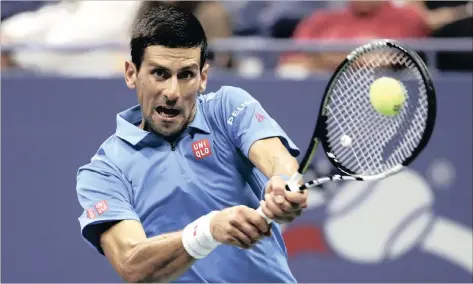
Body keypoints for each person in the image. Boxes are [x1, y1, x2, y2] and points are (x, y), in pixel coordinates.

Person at [76, 4, 308, 283]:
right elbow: (131, 264)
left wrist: (283, 183)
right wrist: (208, 230)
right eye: (159, 73)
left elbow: (275, 158)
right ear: (131, 73)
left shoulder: (227, 108)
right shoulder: (104, 171)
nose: (172, 92)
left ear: (203, 78)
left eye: (186, 74)